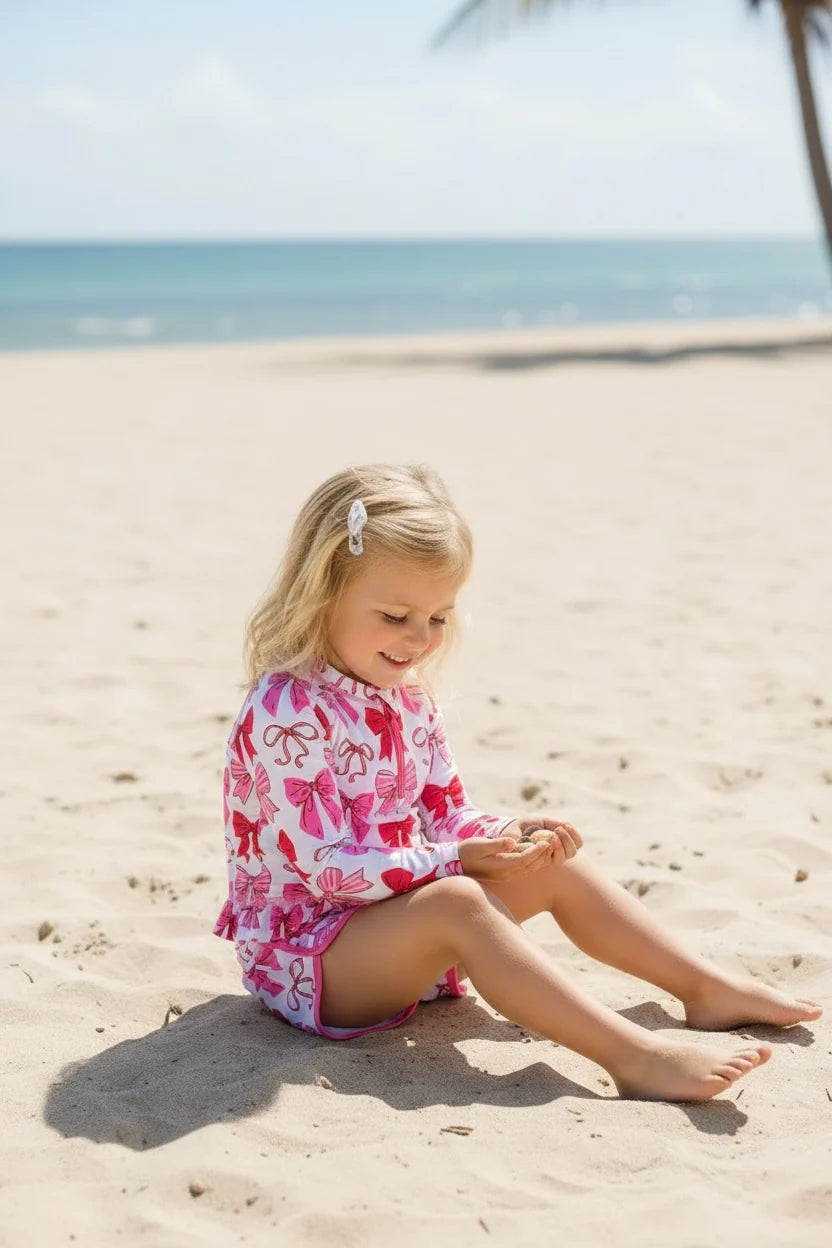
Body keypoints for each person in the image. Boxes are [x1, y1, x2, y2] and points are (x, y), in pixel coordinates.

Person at [214, 463, 822, 1101]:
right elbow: (326, 869)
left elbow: (446, 812)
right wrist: (455, 860)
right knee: (458, 901)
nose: (419, 639)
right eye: (395, 615)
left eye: (439, 618)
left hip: (390, 928)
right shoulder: (287, 709)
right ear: (323, 591)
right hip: (311, 960)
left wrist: (505, 836)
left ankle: (705, 988)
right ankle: (634, 1056)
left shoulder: (407, 699)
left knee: (546, 867)